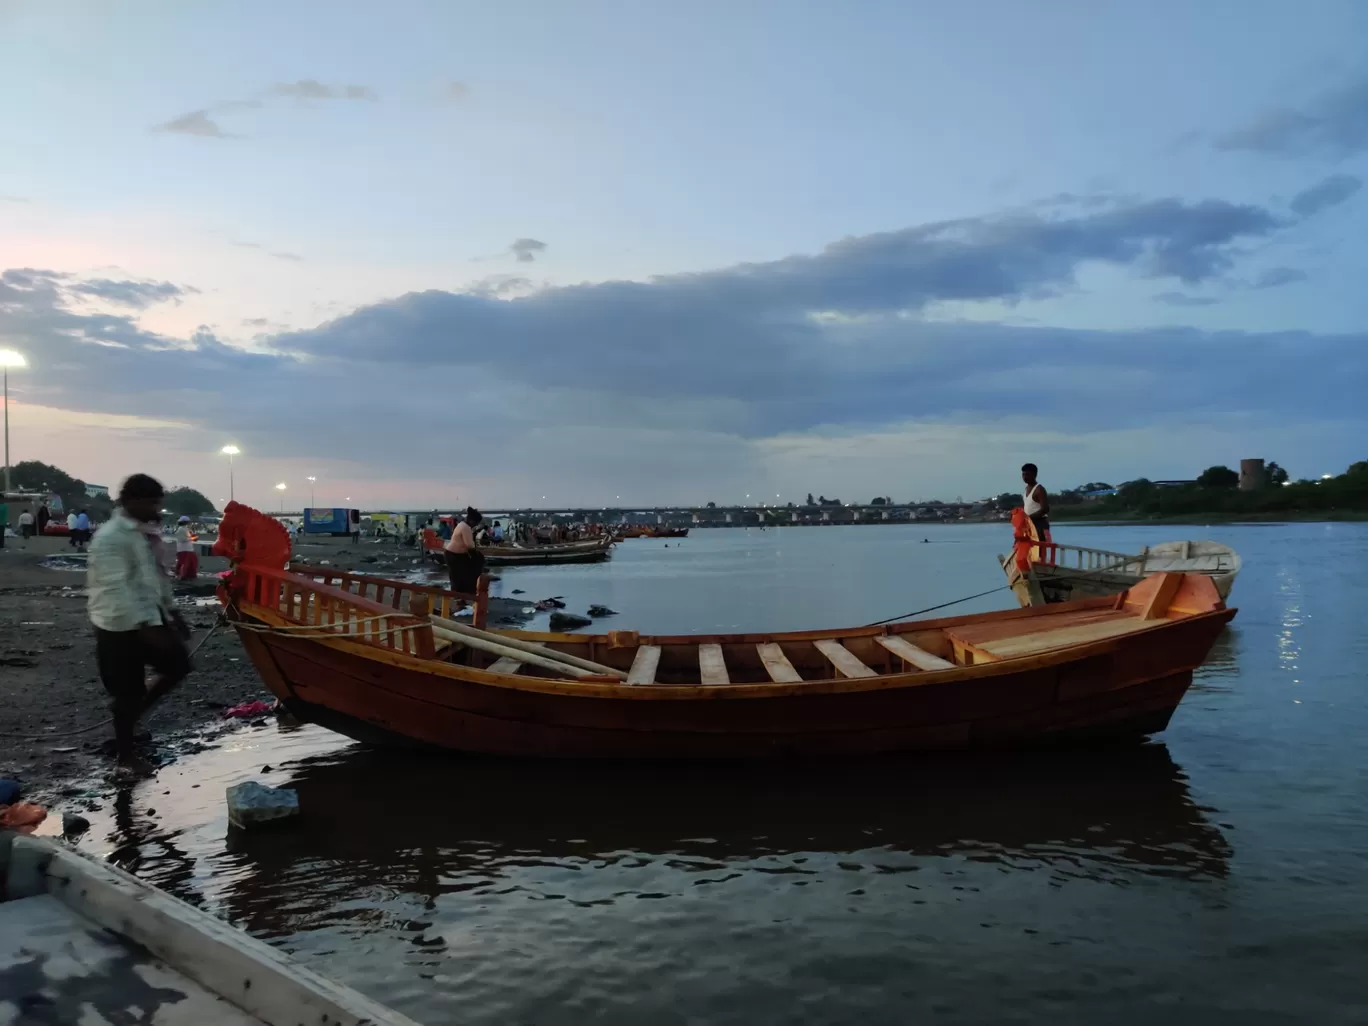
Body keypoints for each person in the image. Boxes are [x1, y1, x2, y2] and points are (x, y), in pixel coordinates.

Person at [87, 475, 192, 777]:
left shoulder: (139, 534)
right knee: (127, 692)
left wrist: (173, 613)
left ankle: (132, 717)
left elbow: (154, 577)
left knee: (179, 666)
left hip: (148, 616)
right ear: (132, 501)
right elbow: (116, 588)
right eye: (152, 502)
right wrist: (147, 628)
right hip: (116, 623)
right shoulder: (110, 537)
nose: (157, 508)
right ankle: (125, 757)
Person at [444, 506, 485, 595]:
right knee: (459, 575)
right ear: (471, 520)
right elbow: (469, 545)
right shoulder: (465, 527)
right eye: (476, 523)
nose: (476, 525)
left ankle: (460, 594)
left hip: (456, 554)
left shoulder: (462, 525)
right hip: (453, 555)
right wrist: (476, 557)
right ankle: (459, 594)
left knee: (459, 575)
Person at [1021, 463, 1052, 543]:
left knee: (1040, 552)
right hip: (1030, 524)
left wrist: (1029, 518)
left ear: (1034, 475)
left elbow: (1045, 509)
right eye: (1023, 474)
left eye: (1027, 474)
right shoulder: (1026, 489)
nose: (1024, 477)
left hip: (1040, 524)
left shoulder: (1039, 489)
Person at [173, 516, 199, 580]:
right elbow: (182, 539)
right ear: (185, 522)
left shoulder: (186, 529)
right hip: (184, 549)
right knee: (185, 563)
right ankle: (182, 575)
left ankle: (187, 575)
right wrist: (192, 538)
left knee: (191, 562)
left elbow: (192, 538)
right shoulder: (181, 529)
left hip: (188, 549)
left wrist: (193, 537)